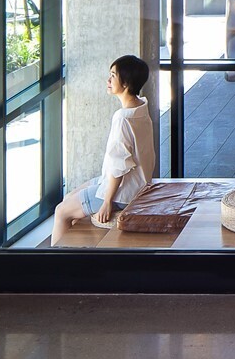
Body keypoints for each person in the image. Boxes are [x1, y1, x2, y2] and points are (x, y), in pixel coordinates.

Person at [53, 55, 157, 240]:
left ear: (126, 83)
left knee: (61, 212)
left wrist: (107, 202)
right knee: (69, 197)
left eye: (113, 76)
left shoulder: (123, 118)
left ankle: (55, 257)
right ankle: (74, 250)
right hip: (137, 184)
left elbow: (119, 166)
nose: (108, 80)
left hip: (123, 193)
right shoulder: (141, 106)